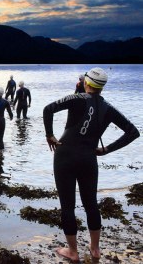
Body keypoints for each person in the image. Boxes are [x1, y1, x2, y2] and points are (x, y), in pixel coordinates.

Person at [43, 67, 139, 262]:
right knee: (91, 205)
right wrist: (106, 150)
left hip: (65, 156)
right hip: (89, 158)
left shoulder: (76, 98)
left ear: (86, 82)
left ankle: (73, 252)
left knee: (67, 207)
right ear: (102, 87)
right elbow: (133, 132)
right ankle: (95, 249)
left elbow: (48, 109)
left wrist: (49, 135)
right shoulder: (108, 108)